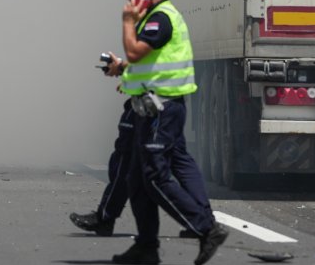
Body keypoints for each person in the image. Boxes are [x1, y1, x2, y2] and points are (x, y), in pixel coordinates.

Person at [109, 0, 228, 265]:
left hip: (161, 110)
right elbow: (147, 62)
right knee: (137, 180)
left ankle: (206, 228)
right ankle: (146, 246)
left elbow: (136, 53)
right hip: (152, 108)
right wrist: (121, 69)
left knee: (154, 177)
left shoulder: (160, 18)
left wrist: (127, 21)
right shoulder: (153, 18)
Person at [69, 55, 213, 239]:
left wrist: (122, 67)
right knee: (178, 159)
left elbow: (149, 57)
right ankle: (204, 219)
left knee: (128, 158)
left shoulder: (153, 34)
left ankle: (106, 217)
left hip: (153, 100)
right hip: (167, 98)